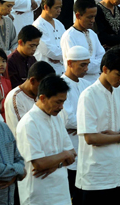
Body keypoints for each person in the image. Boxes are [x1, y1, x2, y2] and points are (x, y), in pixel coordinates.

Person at [76, 46, 120, 205]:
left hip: (115, 172)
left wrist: (118, 135)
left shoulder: (118, 93)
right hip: (95, 176)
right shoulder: (88, 95)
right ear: (105, 69)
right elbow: (90, 137)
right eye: (118, 74)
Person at [16, 75, 76, 204]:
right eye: (58, 102)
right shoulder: (29, 123)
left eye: (63, 102)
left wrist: (56, 164)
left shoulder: (57, 118)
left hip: (62, 191)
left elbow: (73, 155)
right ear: (42, 98)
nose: (61, 107)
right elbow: (39, 164)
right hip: (39, 194)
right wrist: (64, 155)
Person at [60, 45, 92, 203]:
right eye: (82, 65)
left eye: (87, 64)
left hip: (87, 149)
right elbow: (66, 119)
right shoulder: (60, 84)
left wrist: (82, 126)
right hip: (70, 147)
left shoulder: (87, 85)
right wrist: (88, 126)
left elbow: (95, 114)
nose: (86, 69)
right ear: (70, 63)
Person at [4, 61, 55, 139]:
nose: (46, 89)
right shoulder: (15, 98)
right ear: (32, 81)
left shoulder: (40, 94)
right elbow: (25, 130)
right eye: (43, 85)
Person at [61, 0, 106, 84]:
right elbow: (74, 66)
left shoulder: (92, 34)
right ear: (78, 15)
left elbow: (103, 59)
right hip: (79, 83)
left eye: (94, 17)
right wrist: (95, 64)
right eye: (89, 17)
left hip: (96, 80)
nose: (93, 20)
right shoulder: (69, 36)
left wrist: (91, 64)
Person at [33, 0, 66, 75]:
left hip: (64, 70)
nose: (59, 10)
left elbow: (68, 45)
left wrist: (61, 57)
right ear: (46, 7)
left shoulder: (59, 24)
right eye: (56, 8)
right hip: (47, 72)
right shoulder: (37, 26)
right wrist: (65, 55)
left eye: (60, 7)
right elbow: (49, 51)